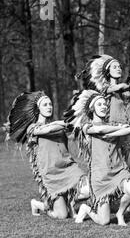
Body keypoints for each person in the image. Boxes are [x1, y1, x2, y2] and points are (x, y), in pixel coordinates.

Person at [7, 91, 89, 219]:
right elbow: (48, 129)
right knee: (61, 215)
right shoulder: (32, 128)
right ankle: (38, 204)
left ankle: (70, 202)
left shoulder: (59, 126)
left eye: (50, 104)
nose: (49, 107)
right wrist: (64, 123)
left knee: (88, 190)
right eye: (45, 104)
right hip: (50, 174)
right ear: (38, 108)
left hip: (68, 168)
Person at [65, 90, 130, 226]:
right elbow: (98, 130)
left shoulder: (112, 124)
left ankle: (120, 213)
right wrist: (115, 130)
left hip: (118, 170)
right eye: (99, 104)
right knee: (104, 221)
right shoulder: (86, 126)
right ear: (92, 108)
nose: (104, 106)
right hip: (100, 176)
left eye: (105, 104)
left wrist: (111, 130)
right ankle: (85, 208)